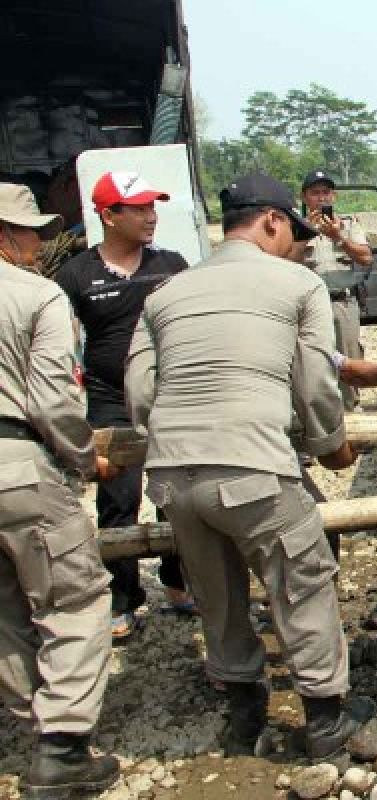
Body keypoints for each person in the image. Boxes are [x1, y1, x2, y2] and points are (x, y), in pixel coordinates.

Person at [125, 172, 374, 757]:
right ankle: (324, 724)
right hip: (252, 467)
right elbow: (316, 385)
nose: (298, 244)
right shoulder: (297, 284)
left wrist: (175, 436)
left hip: (172, 476)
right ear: (271, 220)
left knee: (217, 593)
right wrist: (327, 446)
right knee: (302, 582)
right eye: (294, 231)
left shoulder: (164, 293)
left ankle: (243, 716)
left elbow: (139, 392)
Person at [0, 183, 121, 797]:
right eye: (28, 233)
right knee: (74, 598)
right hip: (16, 463)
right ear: (3, 235)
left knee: (4, 611)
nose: (38, 245)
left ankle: (36, 730)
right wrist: (83, 459)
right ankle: (63, 745)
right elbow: (51, 399)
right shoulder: (36, 296)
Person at [56, 171, 195, 640]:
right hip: (110, 400)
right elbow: (59, 343)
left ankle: (179, 583)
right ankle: (123, 598)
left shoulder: (172, 265)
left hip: (168, 396)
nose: (150, 216)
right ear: (108, 215)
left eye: (152, 206)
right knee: (118, 498)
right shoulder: (76, 275)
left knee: (177, 494)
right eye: (137, 208)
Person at [300, 169, 374, 411]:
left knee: (349, 360)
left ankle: (354, 419)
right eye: (315, 193)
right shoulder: (296, 228)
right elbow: (283, 261)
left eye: (326, 192)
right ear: (304, 197)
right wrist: (305, 233)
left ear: (334, 197)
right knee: (312, 361)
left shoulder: (349, 224)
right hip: (310, 306)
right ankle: (323, 421)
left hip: (342, 302)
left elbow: (365, 258)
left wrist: (338, 237)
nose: (321, 198)